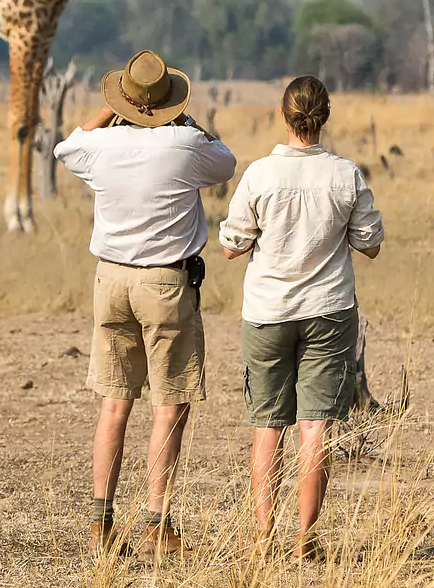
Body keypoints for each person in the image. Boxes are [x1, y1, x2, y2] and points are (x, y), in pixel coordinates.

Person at [54, 49, 237, 558]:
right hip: (165, 283)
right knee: (168, 406)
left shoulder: (102, 146)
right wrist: (189, 122)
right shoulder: (184, 143)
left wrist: (107, 114)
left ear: (123, 102)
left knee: (114, 405)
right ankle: (157, 524)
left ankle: (100, 523)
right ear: (170, 103)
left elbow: (66, 148)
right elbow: (225, 160)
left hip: (109, 281)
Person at [218, 75, 384, 560]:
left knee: (267, 426)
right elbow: (369, 244)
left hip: (268, 311)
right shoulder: (346, 174)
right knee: (317, 426)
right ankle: (305, 539)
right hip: (329, 310)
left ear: (284, 115)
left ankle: (263, 539)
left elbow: (231, 245)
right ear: (324, 116)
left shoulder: (259, 174)